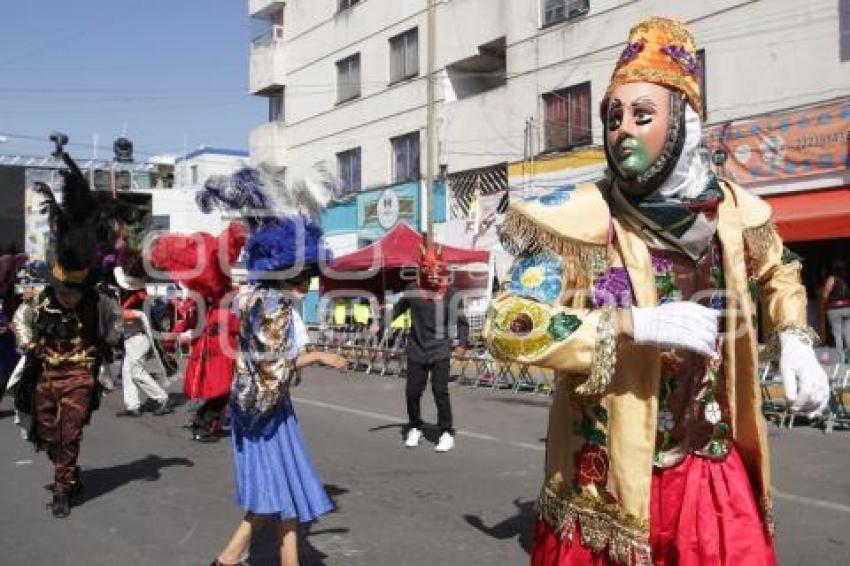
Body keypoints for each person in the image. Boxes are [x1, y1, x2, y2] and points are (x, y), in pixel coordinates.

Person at [484, 17, 829, 565]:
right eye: (613, 117)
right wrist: (626, 325)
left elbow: (779, 269)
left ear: (682, 125)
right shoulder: (579, 219)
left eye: (642, 116)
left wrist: (794, 337)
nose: (622, 129)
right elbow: (506, 324)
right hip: (611, 480)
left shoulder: (733, 211)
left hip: (708, 471)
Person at [198, 167, 348, 566]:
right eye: (303, 273)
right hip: (265, 409)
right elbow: (274, 369)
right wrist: (317, 356)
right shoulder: (274, 306)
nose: (309, 282)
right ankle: (227, 560)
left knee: (285, 493)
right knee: (275, 494)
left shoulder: (254, 296)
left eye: (312, 273)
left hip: (260, 406)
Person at [17, 148, 123, 518]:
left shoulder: (98, 302)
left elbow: (114, 328)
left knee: (69, 433)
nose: (68, 297)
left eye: (74, 292)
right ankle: (69, 473)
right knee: (47, 432)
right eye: (64, 291)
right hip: (46, 374)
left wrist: (108, 345)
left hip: (79, 374)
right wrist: (27, 341)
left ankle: (63, 490)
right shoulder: (41, 300)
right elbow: (22, 321)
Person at [148, 222, 247, 441]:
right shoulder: (212, 301)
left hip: (216, 344)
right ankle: (203, 427)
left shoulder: (208, 299)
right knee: (222, 389)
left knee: (221, 388)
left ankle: (208, 423)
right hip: (218, 346)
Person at [379, 243, 469, 453]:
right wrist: (381, 324)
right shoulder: (412, 290)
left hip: (440, 349)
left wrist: (462, 344)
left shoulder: (451, 294)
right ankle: (415, 426)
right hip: (417, 349)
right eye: (429, 270)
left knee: (440, 391)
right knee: (412, 392)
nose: (434, 275)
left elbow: (462, 322)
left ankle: (446, 432)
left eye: (438, 270)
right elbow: (397, 311)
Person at [114, 250, 173, 417]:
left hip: (141, 333)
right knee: (127, 369)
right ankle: (132, 405)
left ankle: (161, 398)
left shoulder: (148, 292)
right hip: (129, 332)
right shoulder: (127, 287)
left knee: (135, 370)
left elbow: (154, 314)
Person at [821, 260, 850, 361]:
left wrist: (824, 303)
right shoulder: (846, 278)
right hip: (847, 307)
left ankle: (841, 357)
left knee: (837, 332)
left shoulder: (832, 278)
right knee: (847, 332)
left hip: (834, 308)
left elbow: (826, 293)